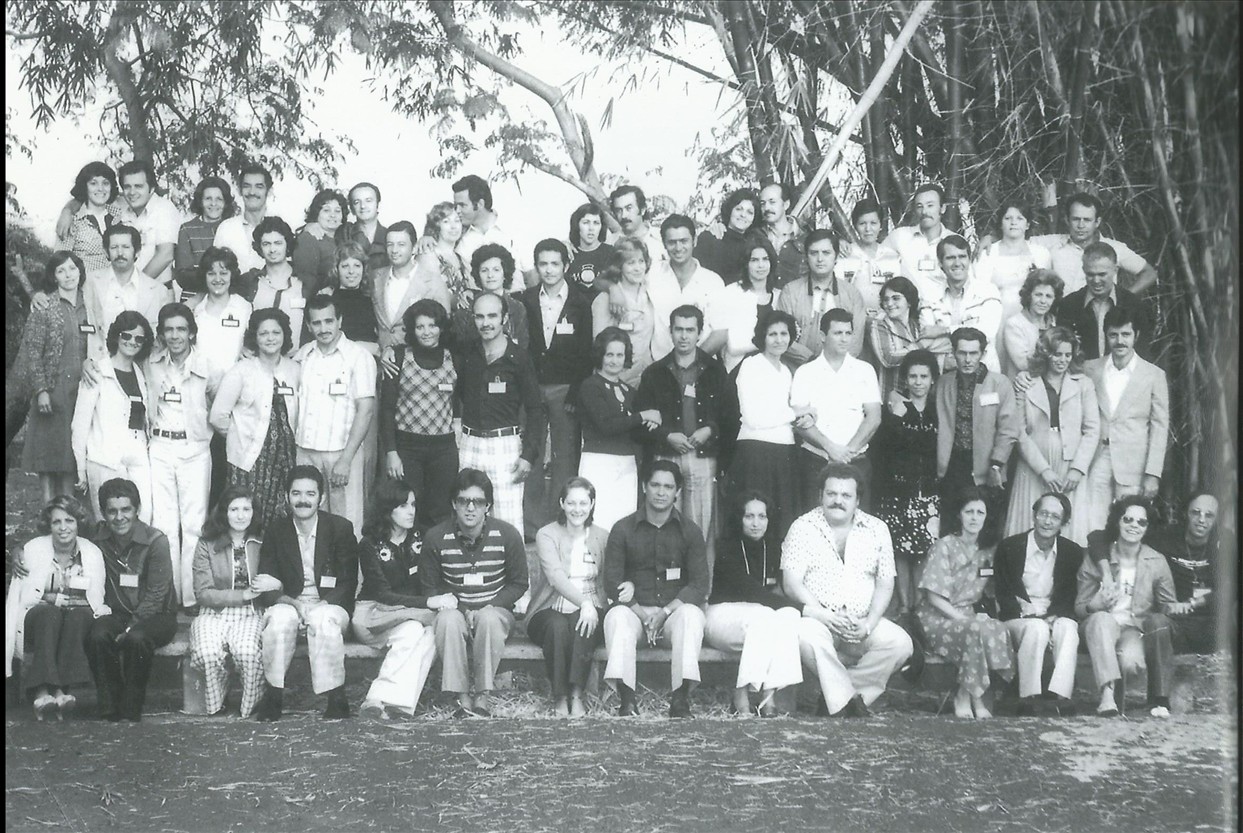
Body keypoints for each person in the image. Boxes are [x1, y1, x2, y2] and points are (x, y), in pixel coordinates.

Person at [782, 463, 914, 717]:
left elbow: (886, 583)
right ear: (820, 495)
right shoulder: (802, 527)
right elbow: (791, 583)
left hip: (860, 622)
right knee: (805, 636)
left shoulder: (877, 529)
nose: (838, 501)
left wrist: (869, 623)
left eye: (846, 495)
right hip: (820, 619)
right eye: (831, 493)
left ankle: (838, 697)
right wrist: (825, 615)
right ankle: (849, 701)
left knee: (900, 644)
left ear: (858, 500)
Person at [603, 460, 709, 718]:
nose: (661, 492)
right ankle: (627, 700)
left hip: (672, 615)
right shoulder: (623, 528)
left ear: (678, 491)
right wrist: (642, 615)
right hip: (635, 613)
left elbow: (699, 584)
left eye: (668, 487)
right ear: (644, 486)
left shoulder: (690, 531)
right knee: (616, 617)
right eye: (655, 485)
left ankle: (680, 700)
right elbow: (611, 581)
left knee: (692, 615)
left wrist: (664, 613)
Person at [251, 465, 358, 720]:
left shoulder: (340, 528)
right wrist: (295, 604)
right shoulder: (277, 531)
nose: (303, 500)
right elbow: (267, 585)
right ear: (286, 496)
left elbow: (347, 583)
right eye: (296, 493)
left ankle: (336, 696)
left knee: (323, 620)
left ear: (322, 497)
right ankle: (274, 694)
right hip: (291, 602)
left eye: (310, 494)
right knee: (279, 619)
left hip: (330, 603)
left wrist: (321, 605)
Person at [422, 468, 529, 718]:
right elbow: (430, 587)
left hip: (495, 611)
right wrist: (461, 609)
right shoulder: (436, 537)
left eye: (478, 502)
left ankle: (482, 695)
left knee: (488, 619)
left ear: (488, 506)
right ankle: (461, 697)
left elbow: (519, 583)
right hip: (454, 610)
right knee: (447, 621)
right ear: (454, 503)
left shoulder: (507, 535)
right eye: (463, 501)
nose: (470, 508)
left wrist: (491, 606)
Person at [636, 305, 738, 563]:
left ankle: (700, 586)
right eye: (679, 329)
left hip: (702, 458)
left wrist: (710, 430)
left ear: (699, 333)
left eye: (690, 330)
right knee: (662, 524)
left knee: (700, 527)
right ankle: (664, 583)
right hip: (665, 457)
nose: (684, 336)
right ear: (670, 332)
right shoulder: (654, 373)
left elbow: (731, 416)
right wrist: (666, 436)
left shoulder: (715, 371)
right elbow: (641, 420)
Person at [354, 481, 454, 719]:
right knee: (415, 629)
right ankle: (395, 703)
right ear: (387, 509)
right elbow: (382, 594)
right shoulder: (369, 544)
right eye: (403, 505)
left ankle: (384, 701)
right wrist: (428, 603)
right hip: (375, 614)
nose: (411, 511)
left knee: (427, 633)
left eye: (413, 505)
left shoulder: (422, 537)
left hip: (412, 617)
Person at [4, 495, 109, 720]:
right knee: (49, 614)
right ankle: (43, 691)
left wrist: (61, 603)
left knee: (77, 617)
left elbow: (95, 599)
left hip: (76, 616)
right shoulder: (32, 549)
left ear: (78, 523)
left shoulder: (91, 552)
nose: (63, 528)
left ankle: (59, 693)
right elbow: (22, 597)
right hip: (38, 617)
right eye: (56, 522)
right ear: (48, 525)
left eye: (69, 521)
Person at [145, 303, 222, 609]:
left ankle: (191, 598)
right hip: (160, 448)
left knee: (193, 526)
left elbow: (219, 402)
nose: (175, 336)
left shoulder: (207, 365)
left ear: (191, 332)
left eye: (181, 329)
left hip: (195, 450)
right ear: (161, 334)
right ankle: (168, 596)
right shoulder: (151, 363)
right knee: (164, 525)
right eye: (169, 330)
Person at [516, 239, 594, 529]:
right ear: (536, 266)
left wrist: (576, 391)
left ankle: (563, 519)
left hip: (565, 388)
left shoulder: (580, 302)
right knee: (532, 450)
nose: (549, 270)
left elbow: (586, 351)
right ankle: (533, 522)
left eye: (554, 264)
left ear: (566, 265)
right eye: (543, 264)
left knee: (565, 453)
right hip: (533, 386)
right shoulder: (525, 300)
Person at [916, 487, 1014, 719]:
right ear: (959, 515)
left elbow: (992, 590)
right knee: (974, 629)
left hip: (969, 615)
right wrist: (963, 619)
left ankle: (969, 692)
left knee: (998, 628)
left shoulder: (988, 551)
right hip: (938, 617)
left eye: (980, 512)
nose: (974, 518)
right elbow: (933, 597)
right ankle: (971, 697)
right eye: (969, 512)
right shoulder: (944, 546)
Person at [84, 478, 177, 721]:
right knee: (98, 634)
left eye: (126, 509)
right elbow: (59, 530)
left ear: (137, 510)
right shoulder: (97, 537)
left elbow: (157, 593)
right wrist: (21, 550)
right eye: (112, 511)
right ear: (103, 512)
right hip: (117, 613)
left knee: (136, 638)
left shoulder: (156, 541)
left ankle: (131, 706)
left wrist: (130, 627)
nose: (119, 517)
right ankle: (110, 706)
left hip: (157, 615)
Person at [455, 291, 546, 537]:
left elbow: (535, 409)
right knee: (468, 518)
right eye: (480, 316)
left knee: (507, 522)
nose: (486, 323)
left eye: (492, 316)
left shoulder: (519, 357)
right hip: (470, 443)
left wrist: (528, 455)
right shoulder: (467, 354)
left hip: (505, 445)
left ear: (504, 318)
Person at [1077, 496, 1177, 718]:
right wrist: (1095, 605)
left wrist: (1180, 608)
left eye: (1141, 522)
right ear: (1117, 522)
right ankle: (1106, 696)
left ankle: (1116, 702)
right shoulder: (1098, 557)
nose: (1134, 525)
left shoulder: (1156, 561)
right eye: (1128, 519)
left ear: (1148, 527)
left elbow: (1167, 605)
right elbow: (1079, 608)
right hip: (1098, 626)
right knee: (1102, 620)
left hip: (1133, 629)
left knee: (1131, 662)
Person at [707, 491, 803, 716]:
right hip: (723, 616)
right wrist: (806, 609)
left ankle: (769, 695)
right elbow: (753, 592)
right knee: (767, 616)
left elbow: (776, 592)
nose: (755, 523)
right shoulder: (727, 547)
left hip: (761, 616)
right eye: (749, 516)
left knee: (789, 615)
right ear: (739, 519)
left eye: (762, 516)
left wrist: (796, 609)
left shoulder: (775, 547)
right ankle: (741, 693)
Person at [293, 294, 377, 537]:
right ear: (308, 326)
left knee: (345, 523)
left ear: (340, 320)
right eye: (316, 323)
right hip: (306, 453)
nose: (323, 329)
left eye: (329, 321)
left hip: (342, 454)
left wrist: (346, 459)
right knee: (308, 521)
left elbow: (366, 410)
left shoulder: (358, 357)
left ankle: (349, 565)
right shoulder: (303, 355)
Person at [208, 309, 301, 528]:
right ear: (255, 338)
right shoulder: (242, 370)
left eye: (276, 333)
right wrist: (240, 435)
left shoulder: (295, 369)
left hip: (285, 459)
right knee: (247, 516)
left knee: (281, 519)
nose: (270, 338)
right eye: (263, 333)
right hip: (249, 460)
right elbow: (218, 415)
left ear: (285, 335)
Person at [1006, 327, 1099, 544]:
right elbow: (1019, 431)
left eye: (1067, 355)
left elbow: (1092, 429)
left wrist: (1078, 469)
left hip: (1069, 464)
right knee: (1031, 521)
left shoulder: (1083, 384)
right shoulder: (1026, 382)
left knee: (1067, 524)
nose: (1062, 360)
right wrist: (1043, 470)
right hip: (1034, 464)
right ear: (1046, 353)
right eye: (1057, 354)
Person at [527, 477, 610, 717]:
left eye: (583, 503)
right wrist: (584, 603)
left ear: (592, 504)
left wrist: (592, 605)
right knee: (557, 626)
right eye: (571, 503)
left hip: (592, 607)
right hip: (550, 607)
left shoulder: (602, 536)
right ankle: (560, 696)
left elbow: (612, 575)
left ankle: (576, 694)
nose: (577, 509)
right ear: (562, 503)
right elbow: (555, 577)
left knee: (582, 623)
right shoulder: (547, 534)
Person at [994, 492, 1083, 715]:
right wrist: (1027, 613)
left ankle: (1062, 697)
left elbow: (1070, 594)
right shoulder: (1010, 547)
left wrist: (1055, 615)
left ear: (1064, 523)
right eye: (1043, 513)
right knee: (1036, 628)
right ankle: (1028, 697)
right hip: (1018, 619)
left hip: (1053, 615)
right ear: (1034, 515)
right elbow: (1002, 593)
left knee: (1068, 627)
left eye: (1055, 516)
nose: (1047, 521)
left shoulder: (1072, 552)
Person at [1082, 306, 1169, 532]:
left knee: (1130, 522)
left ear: (1136, 335)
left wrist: (1153, 474)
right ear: (1106, 335)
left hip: (1134, 464)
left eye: (1126, 334)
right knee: (1092, 522)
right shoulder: (1090, 369)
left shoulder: (1154, 375)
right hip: (1097, 457)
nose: (1120, 341)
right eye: (1113, 334)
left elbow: (1160, 428)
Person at [14, 252, 90, 503]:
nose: (68, 275)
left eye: (72, 268)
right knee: (48, 458)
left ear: (80, 271)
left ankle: (68, 512)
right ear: (54, 276)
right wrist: (41, 390)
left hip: (82, 391)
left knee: (70, 457)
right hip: (53, 391)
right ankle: (48, 513)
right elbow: (33, 352)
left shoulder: (90, 304)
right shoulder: (45, 306)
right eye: (61, 270)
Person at [789, 308, 882, 513]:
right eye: (838, 333)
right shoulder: (805, 372)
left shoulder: (864, 370)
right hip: (816, 461)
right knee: (815, 524)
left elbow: (874, 417)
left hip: (856, 462)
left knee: (857, 525)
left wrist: (846, 453)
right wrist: (830, 448)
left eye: (848, 333)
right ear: (823, 336)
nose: (844, 339)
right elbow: (800, 422)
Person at [379, 298, 459, 529]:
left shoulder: (453, 357)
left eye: (432, 326)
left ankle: (436, 551)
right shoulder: (398, 356)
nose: (426, 332)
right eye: (420, 326)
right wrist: (391, 452)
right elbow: (387, 409)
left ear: (441, 327)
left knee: (441, 510)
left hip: (443, 449)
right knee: (408, 507)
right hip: (408, 448)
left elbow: (459, 401)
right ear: (412, 329)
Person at [872, 350, 941, 617]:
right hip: (898, 491)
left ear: (933, 379)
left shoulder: (938, 410)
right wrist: (896, 417)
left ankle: (920, 605)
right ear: (905, 379)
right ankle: (903, 604)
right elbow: (882, 447)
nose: (918, 382)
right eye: (913, 376)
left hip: (929, 492)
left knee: (925, 549)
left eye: (924, 376)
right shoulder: (895, 408)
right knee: (899, 550)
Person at [188, 487, 266, 718]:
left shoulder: (262, 541)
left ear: (254, 512)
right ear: (224, 512)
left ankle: (250, 704)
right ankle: (217, 700)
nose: (241, 515)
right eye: (234, 509)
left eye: (246, 509)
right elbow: (203, 592)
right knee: (207, 653)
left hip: (250, 613)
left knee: (247, 652)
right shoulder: (207, 543)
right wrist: (241, 596)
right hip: (213, 611)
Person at [71, 311, 155, 523]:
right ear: (117, 336)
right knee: (108, 522)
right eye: (127, 335)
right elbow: (80, 423)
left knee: (144, 516)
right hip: (104, 459)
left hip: (137, 457)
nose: (132, 342)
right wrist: (80, 468)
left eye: (139, 338)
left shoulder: (141, 373)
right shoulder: (97, 371)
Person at [935, 327, 1018, 535]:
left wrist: (997, 464)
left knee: (986, 530)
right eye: (962, 353)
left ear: (982, 353)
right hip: (952, 466)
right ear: (953, 353)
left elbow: (1008, 429)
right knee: (952, 527)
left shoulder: (999, 384)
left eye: (973, 353)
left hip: (987, 468)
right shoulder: (944, 383)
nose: (967, 360)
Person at [727, 310, 802, 539]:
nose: (779, 340)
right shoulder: (751, 365)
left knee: (781, 521)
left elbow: (782, 414)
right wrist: (794, 413)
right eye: (772, 334)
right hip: (756, 453)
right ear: (763, 336)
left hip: (784, 452)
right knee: (754, 522)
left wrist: (802, 416)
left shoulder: (786, 371)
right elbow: (754, 418)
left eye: (784, 334)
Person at [576, 328, 658, 531]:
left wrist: (652, 421)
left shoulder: (629, 391)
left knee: (624, 523)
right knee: (597, 522)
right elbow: (606, 425)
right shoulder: (590, 386)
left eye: (620, 355)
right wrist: (643, 416)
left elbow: (637, 427)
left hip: (627, 463)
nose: (614, 360)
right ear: (600, 356)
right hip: (599, 462)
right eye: (609, 354)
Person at [1030, 192, 1157, 294]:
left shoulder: (1114, 248)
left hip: (1101, 316)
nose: (1081, 225)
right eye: (1076, 219)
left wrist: (1124, 300)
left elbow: (1149, 273)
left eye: (1087, 220)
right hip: (1060, 316)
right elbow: (1020, 242)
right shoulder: (1051, 243)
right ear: (1067, 220)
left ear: (1097, 222)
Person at [82, 224, 175, 360]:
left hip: (142, 365)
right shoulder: (91, 282)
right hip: (101, 363)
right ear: (106, 252)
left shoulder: (158, 291)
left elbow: (162, 339)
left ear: (137, 252)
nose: (120, 253)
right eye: (114, 247)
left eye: (126, 247)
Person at [1147, 492, 1225, 652]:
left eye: (1209, 515)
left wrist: (1197, 602)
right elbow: (1101, 537)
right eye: (1196, 512)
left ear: (1217, 519)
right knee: (1156, 622)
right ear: (1185, 513)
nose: (1202, 520)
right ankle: (1163, 669)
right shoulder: (1167, 537)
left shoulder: (1225, 542)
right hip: (1174, 619)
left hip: (1213, 623)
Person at [776, 229, 868, 364]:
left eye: (826, 253)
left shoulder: (852, 294)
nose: (820, 259)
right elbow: (781, 335)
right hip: (798, 369)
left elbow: (855, 342)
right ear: (806, 257)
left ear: (836, 257)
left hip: (840, 370)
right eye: (814, 253)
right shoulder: (790, 291)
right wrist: (811, 361)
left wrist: (832, 365)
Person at [646, 214, 726, 361]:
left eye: (684, 241)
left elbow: (720, 333)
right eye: (672, 242)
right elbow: (615, 281)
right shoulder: (652, 274)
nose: (678, 248)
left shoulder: (713, 282)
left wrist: (691, 363)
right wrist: (614, 291)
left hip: (702, 367)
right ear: (664, 244)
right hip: (658, 367)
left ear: (694, 241)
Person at [919, 235, 1004, 373]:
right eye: (950, 258)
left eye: (962, 256)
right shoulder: (929, 295)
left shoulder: (988, 291)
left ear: (969, 260)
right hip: (945, 373)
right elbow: (926, 340)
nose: (957, 263)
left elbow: (986, 334)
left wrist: (943, 331)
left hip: (984, 372)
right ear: (940, 263)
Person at [1056, 242, 1153, 361]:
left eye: (1102, 274)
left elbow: (1142, 353)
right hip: (1082, 371)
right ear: (1084, 270)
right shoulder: (1069, 305)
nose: (1096, 280)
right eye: (1090, 274)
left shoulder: (1134, 305)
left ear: (1115, 270)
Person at [703, 233, 780, 372]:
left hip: (771, 371)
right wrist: (772, 341)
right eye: (754, 260)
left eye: (765, 259)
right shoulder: (731, 293)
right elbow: (734, 345)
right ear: (746, 264)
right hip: (737, 371)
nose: (761, 265)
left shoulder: (779, 296)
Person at [373, 220, 453, 353]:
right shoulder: (375, 278)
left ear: (414, 247)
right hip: (383, 357)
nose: (394, 250)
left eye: (401, 244)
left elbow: (444, 325)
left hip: (417, 358)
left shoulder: (433, 282)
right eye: (390, 244)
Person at [590, 236, 657, 386]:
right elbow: (600, 346)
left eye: (641, 261)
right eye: (630, 263)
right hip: (616, 378)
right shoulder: (605, 299)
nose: (638, 268)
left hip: (646, 376)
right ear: (619, 266)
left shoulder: (650, 292)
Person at [235, 216, 307, 351]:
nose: (272, 249)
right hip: (259, 358)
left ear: (287, 245)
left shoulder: (305, 282)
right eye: (266, 244)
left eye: (278, 243)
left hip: (297, 358)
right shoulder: (249, 282)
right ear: (259, 247)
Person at [972, 202, 1053, 322]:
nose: (1013, 222)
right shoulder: (987, 254)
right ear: (1001, 223)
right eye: (1008, 218)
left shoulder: (1041, 253)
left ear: (1027, 224)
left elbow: (1048, 290)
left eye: (1020, 218)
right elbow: (977, 294)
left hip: (1032, 321)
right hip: (996, 320)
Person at [186, 247, 252, 380]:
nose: (217, 279)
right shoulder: (194, 308)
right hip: (199, 381)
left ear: (232, 275)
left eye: (223, 273)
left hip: (234, 382)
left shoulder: (244, 307)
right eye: (211, 274)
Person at [115, 160, 181, 289]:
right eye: (127, 187)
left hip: (157, 290)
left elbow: (165, 255)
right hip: (126, 291)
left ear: (151, 188)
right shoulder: (122, 211)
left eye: (138, 186)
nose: (132, 192)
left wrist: (135, 285)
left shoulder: (164, 208)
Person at [885, 183, 957, 297]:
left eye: (930, 205)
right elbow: (876, 260)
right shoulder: (899, 237)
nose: (924, 212)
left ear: (942, 208)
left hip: (942, 307)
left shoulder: (955, 242)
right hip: (908, 307)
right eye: (919, 206)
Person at [834, 198, 902, 312]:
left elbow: (897, 293)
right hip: (852, 316)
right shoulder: (845, 254)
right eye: (862, 224)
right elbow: (838, 293)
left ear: (880, 225)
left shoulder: (892, 257)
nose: (868, 229)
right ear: (855, 226)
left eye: (873, 223)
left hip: (885, 317)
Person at [459, 243, 529, 352]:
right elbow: (461, 347)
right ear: (478, 274)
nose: (490, 275)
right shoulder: (467, 306)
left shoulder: (517, 308)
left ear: (505, 273)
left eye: (496, 270)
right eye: (484, 270)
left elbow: (523, 346)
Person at [174, 176, 235, 295]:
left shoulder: (233, 228)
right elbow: (183, 275)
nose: (213, 203)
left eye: (219, 199)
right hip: (193, 297)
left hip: (227, 297)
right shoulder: (187, 229)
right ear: (200, 201)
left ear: (226, 202)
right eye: (208, 198)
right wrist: (214, 280)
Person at [867, 276, 925, 401]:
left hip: (916, 397)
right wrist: (921, 346)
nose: (889, 304)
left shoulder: (916, 325)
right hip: (888, 399)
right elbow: (888, 358)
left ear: (909, 301)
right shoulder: (879, 324)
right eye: (886, 299)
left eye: (896, 298)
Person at [59, 162, 120, 273]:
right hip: (86, 282)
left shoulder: (119, 216)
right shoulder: (72, 221)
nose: (100, 188)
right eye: (93, 183)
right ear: (84, 187)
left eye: (106, 183)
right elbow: (60, 263)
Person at [453, 174, 520, 276]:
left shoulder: (513, 228)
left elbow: (531, 274)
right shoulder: (459, 240)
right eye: (456, 206)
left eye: (462, 205)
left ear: (480, 204)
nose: (457, 211)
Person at [213, 164, 274, 275]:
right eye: (247, 186)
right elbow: (216, 270)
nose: (252, 192)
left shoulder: (279, 228)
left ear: (269, 191)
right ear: (240, 190)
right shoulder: (226, 228)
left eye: (259, 187)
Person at [1001, 269, 1062, 378]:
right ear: (1029, 295)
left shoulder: (1054, 322)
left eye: (1048, 296)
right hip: (1025, 384)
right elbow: (1024, 364)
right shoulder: (1014, 324)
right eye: (1038, 295)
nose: (1043, 301)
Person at [693, 188, 760, 283]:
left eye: (749, 212)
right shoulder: (709, 238)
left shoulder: (753, 246)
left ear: (754, 218)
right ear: (730, 210)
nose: (743, 215)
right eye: (738, 209)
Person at [292, 189, 348, 297]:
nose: (333, 215)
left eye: (337, 211)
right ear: (316, 213)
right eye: (326, 210)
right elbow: (306, 282)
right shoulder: (308, 239)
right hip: (320, 301)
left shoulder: (343, 237)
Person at [323, 242, 379, 348]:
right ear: (336, 269)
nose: (351, 271)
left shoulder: (371, 300)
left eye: (357, 266)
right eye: (345, 266)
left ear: (364, 268)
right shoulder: (328, 300)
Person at [415, 202, 471, 308]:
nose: (453, 226)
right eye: (446, 221)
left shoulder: (460, 258)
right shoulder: (428, 254)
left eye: (457, 221)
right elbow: (432, 296)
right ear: (437, 226)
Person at [756, 181, 806, 286]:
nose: (767, 208)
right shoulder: (755, 236)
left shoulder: (806, 237)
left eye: (772, 202)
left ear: (786, 204)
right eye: (763, 203)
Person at [609, 184, 667, 270]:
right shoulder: (610, 243)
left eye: (629, 208)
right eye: (619, 210)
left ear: (642, 209)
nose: (624, 215)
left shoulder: (662, 239)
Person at [566, 202, 615, 294]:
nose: (591, 228)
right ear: (577, 225)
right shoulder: (569, 253)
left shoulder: (611, 253)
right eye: (586, 223)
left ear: (601, 226)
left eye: (596, 223)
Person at [342, 182, 388, 276]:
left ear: (378, 205)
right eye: (357, 202)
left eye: (368, 200)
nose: (363, 206)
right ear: (352, 209)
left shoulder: (389, 236)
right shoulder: (344, 233)